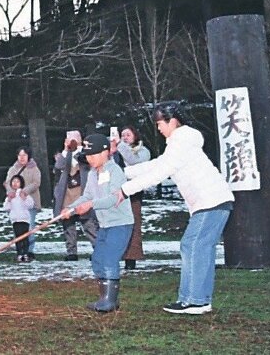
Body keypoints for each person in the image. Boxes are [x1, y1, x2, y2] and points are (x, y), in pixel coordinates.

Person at [117, 104, 234, 315]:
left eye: (160, 123)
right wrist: (125, 173)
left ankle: (195, 301)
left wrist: (125, 190)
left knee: (193, 245)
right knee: (197, 247)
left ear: (172, 121)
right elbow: (157, 164)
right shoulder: (179, 143)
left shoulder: (181, 142)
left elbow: (160, 172)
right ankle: (198, 300)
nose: (158, 128)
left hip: (211, 201)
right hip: (212, 202)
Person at [60, 133, 133, 312]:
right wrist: (71, 208)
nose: (90, 159)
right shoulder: (93, 174)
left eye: (93, 155)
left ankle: (109, 301)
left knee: (109, 259)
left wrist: (90, 206)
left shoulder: (115, 171)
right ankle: (105, 297)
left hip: (120, 224)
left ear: (105, 152)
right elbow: (87, 196)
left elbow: (113, 199)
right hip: (105, 225)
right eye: (88, 156)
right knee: (98, 259)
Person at [52, 130, 98, 260]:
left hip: (82, 194)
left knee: (89, 224)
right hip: (67, 195)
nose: (71, 141)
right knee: (68, 225)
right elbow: (58, 166)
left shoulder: (85, 153)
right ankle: (71, 252)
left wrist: (78, 149)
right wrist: (66, 151)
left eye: (74, 139)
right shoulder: (64, 156)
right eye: (69, 139)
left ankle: (98, 248)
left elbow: (86, 163)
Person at [113, 125, 151, 269]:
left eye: (128, 134)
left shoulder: (143, 151)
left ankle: (131, 257)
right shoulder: (117, 150)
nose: (125, 137)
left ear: (135, 136)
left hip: (133, 192)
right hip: (116, 191)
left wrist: (120, 145)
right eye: (122, 135)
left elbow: (133, 160)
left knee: (133, 223)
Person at [4, 146, 42, 260]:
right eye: (20, 155)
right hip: (16, 205)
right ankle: (20, 250)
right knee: (17, 228)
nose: (22, 158)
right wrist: (11, 192)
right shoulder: (13, 169)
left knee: (29, 227)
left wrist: (25, 192)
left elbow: (36, 183)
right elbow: (7, 182)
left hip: (30, 203)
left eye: (24, 155)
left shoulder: (34, 168)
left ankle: (29, 250)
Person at [3, 175, 35, 262]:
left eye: (17, 182)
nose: (15, 184)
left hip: (24, 219)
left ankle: (25, 253)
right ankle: (19, 253)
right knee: (17, 237)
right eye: (13, 182)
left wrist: (24, 198)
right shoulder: (10, 196)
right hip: (15, 220)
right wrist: (9, 200)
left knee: (25, 237)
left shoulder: (25, 194)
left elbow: (30, 205)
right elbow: (6, 208)